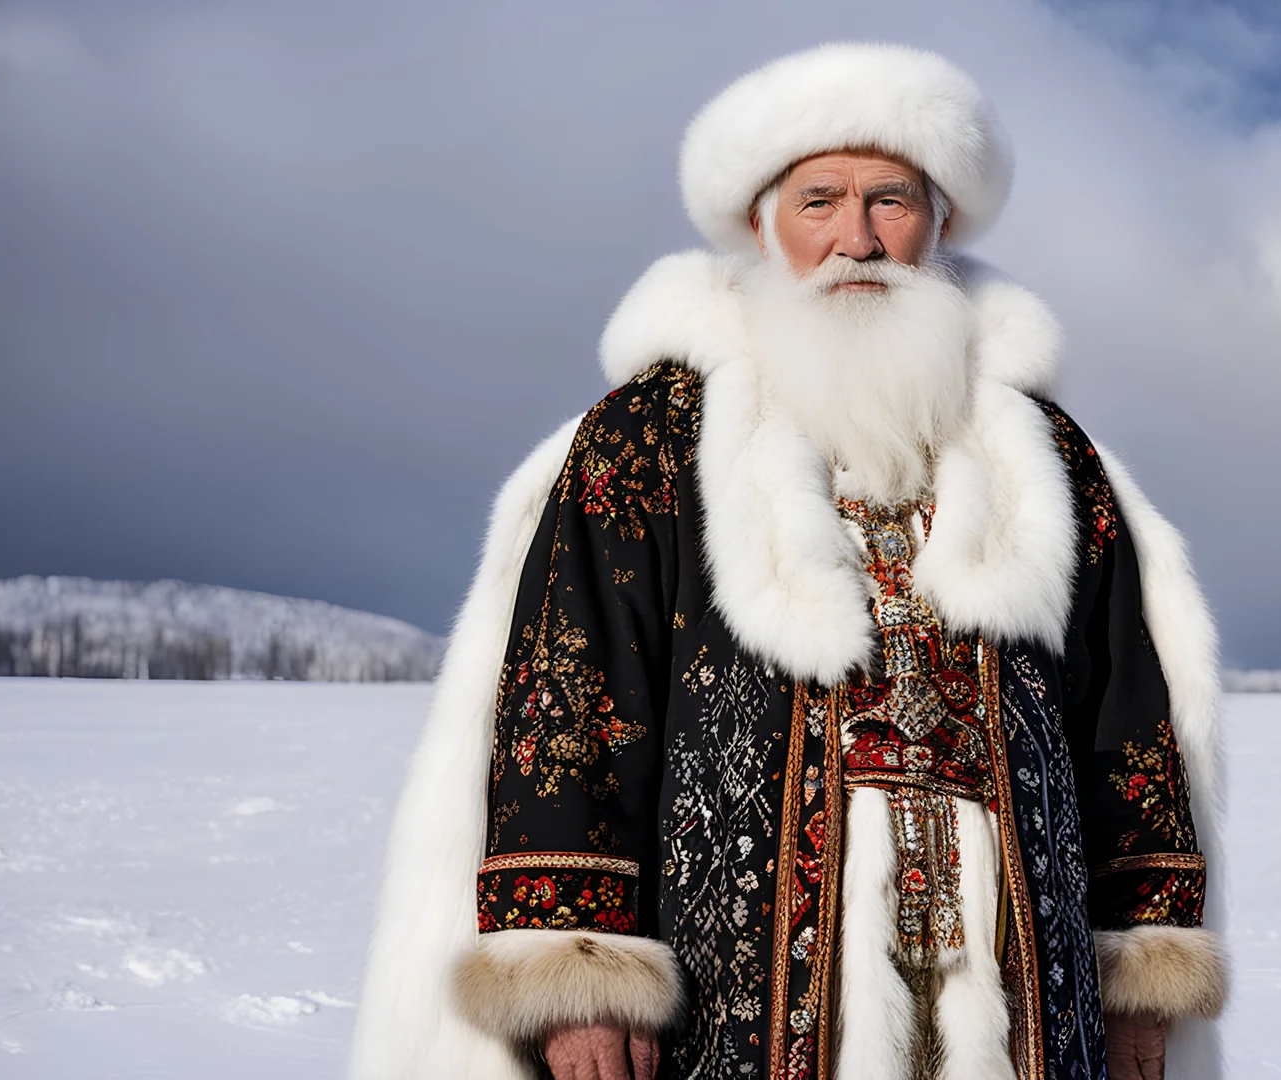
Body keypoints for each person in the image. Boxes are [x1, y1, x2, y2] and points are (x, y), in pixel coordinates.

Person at [348, 42, 1226, 1080]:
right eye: (820, 202)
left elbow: (1126, 722)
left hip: (1028, 1001)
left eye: (892, 200)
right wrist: (578, 971)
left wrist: (1142, 974)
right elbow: (572, 701)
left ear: (939, 225)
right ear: (763, 225)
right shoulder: (653, 435)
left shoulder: (1042, 454)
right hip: (733, 1000)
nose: (858, 239)